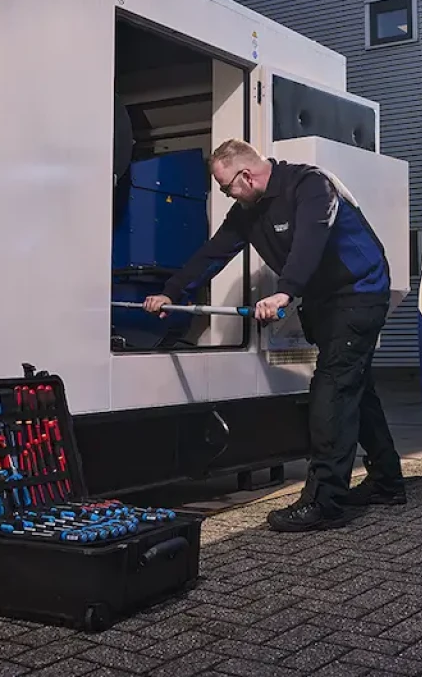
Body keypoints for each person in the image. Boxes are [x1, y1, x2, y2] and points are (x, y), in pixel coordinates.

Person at [143, 138, 405, 532]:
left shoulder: (311, 185)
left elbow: (311, 240)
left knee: (331, 392)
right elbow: (213, 254)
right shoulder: (248, 211)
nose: (225, 193)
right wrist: (171, 291)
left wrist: (286, 290)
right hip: (323, 301)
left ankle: (326, 501)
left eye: (225, 186)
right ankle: (387, 481)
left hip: (360, 294)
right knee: (355, 390)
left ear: (245, 176)